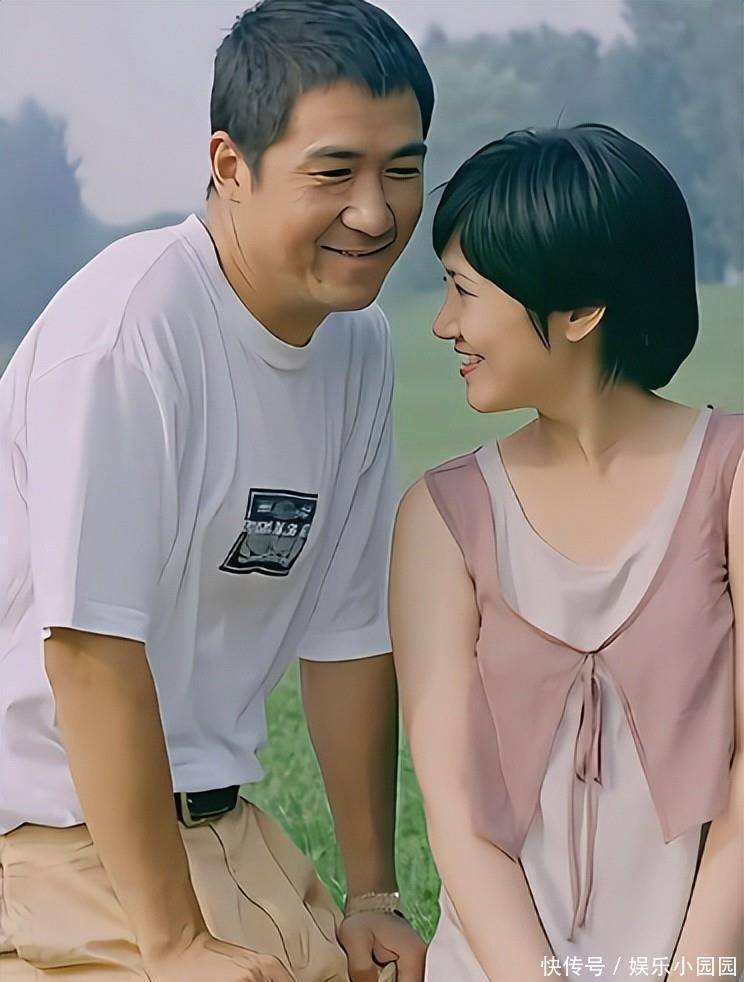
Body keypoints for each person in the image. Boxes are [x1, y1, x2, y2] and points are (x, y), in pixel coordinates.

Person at [0, 1, 434, 979]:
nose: (376, 213)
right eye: (334, 172)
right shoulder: (130, 334)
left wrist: (372, 896)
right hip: (51, 836)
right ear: (231, 165)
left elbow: (349, 635)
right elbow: (88, 651)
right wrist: (175, 944)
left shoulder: (356, 343)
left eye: (402, 170)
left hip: (223, 825)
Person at [389, 124, 743, 982]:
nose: (443, 324)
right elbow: (459, 815)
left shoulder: (730, 479)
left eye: (465, 291)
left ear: (581, 311)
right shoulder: (442, 516)